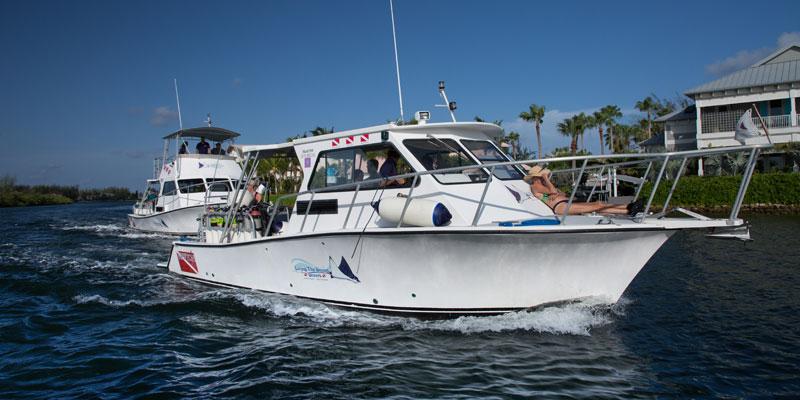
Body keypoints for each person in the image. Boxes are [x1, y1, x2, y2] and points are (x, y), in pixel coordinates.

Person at [524, 166, 642, 216]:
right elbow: (553, 191)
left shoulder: (542, 186)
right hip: (561, 207)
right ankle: (628, 209)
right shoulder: (535, 186)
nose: (545, 176)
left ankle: (628, 207)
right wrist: (547, 181)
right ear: (536, 177)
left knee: (598, 204)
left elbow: (560, 193)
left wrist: (556, 193)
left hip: (565, 202)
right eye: (542, 175)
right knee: (596, 207)